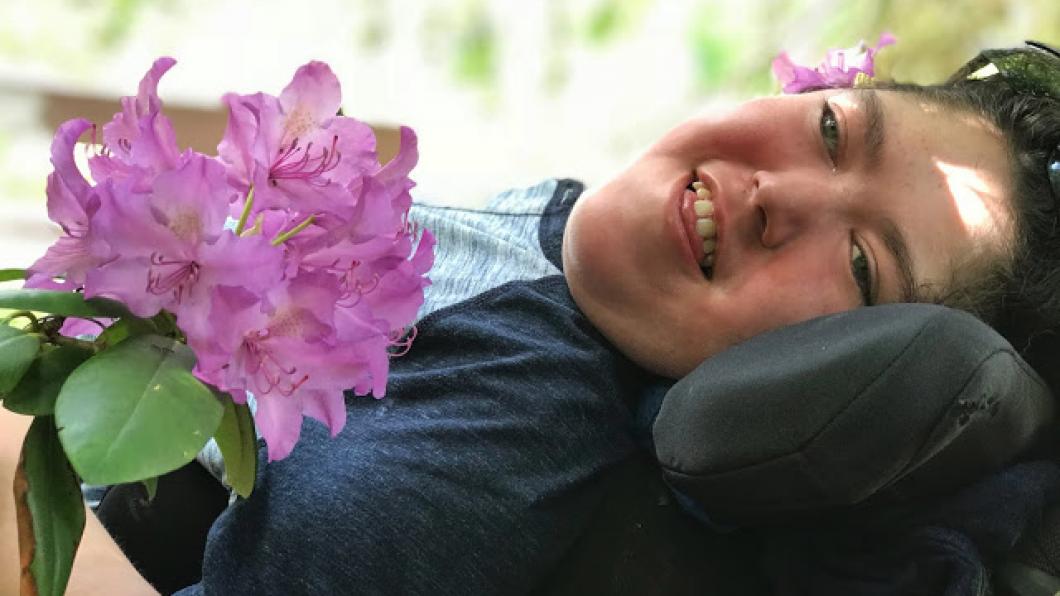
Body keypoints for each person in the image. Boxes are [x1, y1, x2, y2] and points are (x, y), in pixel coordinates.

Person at [2, 41, 1059, 595]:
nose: (788, 195)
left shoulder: (506, 433)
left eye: (864, 265)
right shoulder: (552, 238)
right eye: (832, 130)